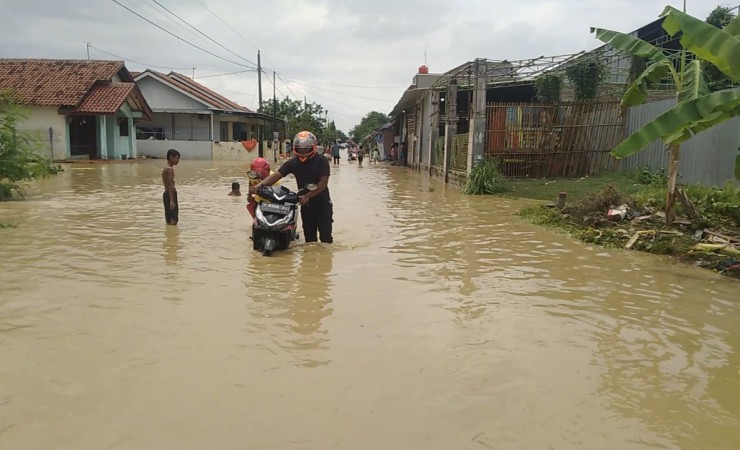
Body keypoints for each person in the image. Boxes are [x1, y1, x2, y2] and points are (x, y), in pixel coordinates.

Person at [250, 130, 333, 244]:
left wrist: (308, 195)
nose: (303, 151)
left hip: (322, 203)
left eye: (306, 148)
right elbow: (276, 175)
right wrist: (258, 186)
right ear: (295, 148)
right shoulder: (293, 163)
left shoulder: (321, 161)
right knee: (309, 240)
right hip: (305, 204)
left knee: (326, 238)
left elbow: (323, 183)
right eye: (300, 148)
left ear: (313, 147)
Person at [162, 148, 180, 226]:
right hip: (170, 194)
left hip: (166, 194)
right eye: (177, 158)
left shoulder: (165, 168)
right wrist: (172, 200)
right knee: (174, 218)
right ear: (171, 157)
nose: (178, 161)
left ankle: (169, 236)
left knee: (169, 217)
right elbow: (170, 185)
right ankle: (173, 236)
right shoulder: (169, 170)